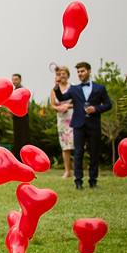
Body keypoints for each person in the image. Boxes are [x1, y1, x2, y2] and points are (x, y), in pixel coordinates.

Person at [53, 61, 112, 190]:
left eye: (82, 71)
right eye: (78, 72)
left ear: (89, 72)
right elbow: (62, 97)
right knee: (78, 153)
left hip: (93, 124)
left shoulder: (99, 88)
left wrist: (95, 109)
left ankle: (93, 180)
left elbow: (108, 105)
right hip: (78, 125)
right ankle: (78, 181)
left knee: (94, 153)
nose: (80, 74)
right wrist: (56, 85)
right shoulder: (74, 89)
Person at [50, 66, 75, 178]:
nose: (62, 76)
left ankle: (78, 168)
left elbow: (77, 102)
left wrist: (68, 106)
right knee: (65, 145)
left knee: (76, 143)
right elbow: (53, 105)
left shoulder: (72, 88)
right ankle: (67, 170)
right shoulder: (54, 89)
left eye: (64, 73)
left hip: (73, 117)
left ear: (68, 75)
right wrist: (59, 108)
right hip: (62, 119)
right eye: (60, 74)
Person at [11, 73, 32, 151]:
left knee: (24, 136)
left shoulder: (23, 91)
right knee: (17, 136)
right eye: (13, 80)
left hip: (23, 116)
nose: (14, 81)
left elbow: (27, 104)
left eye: (16, 79)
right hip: (15, 116)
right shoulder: (13, 91)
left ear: (20, 80)